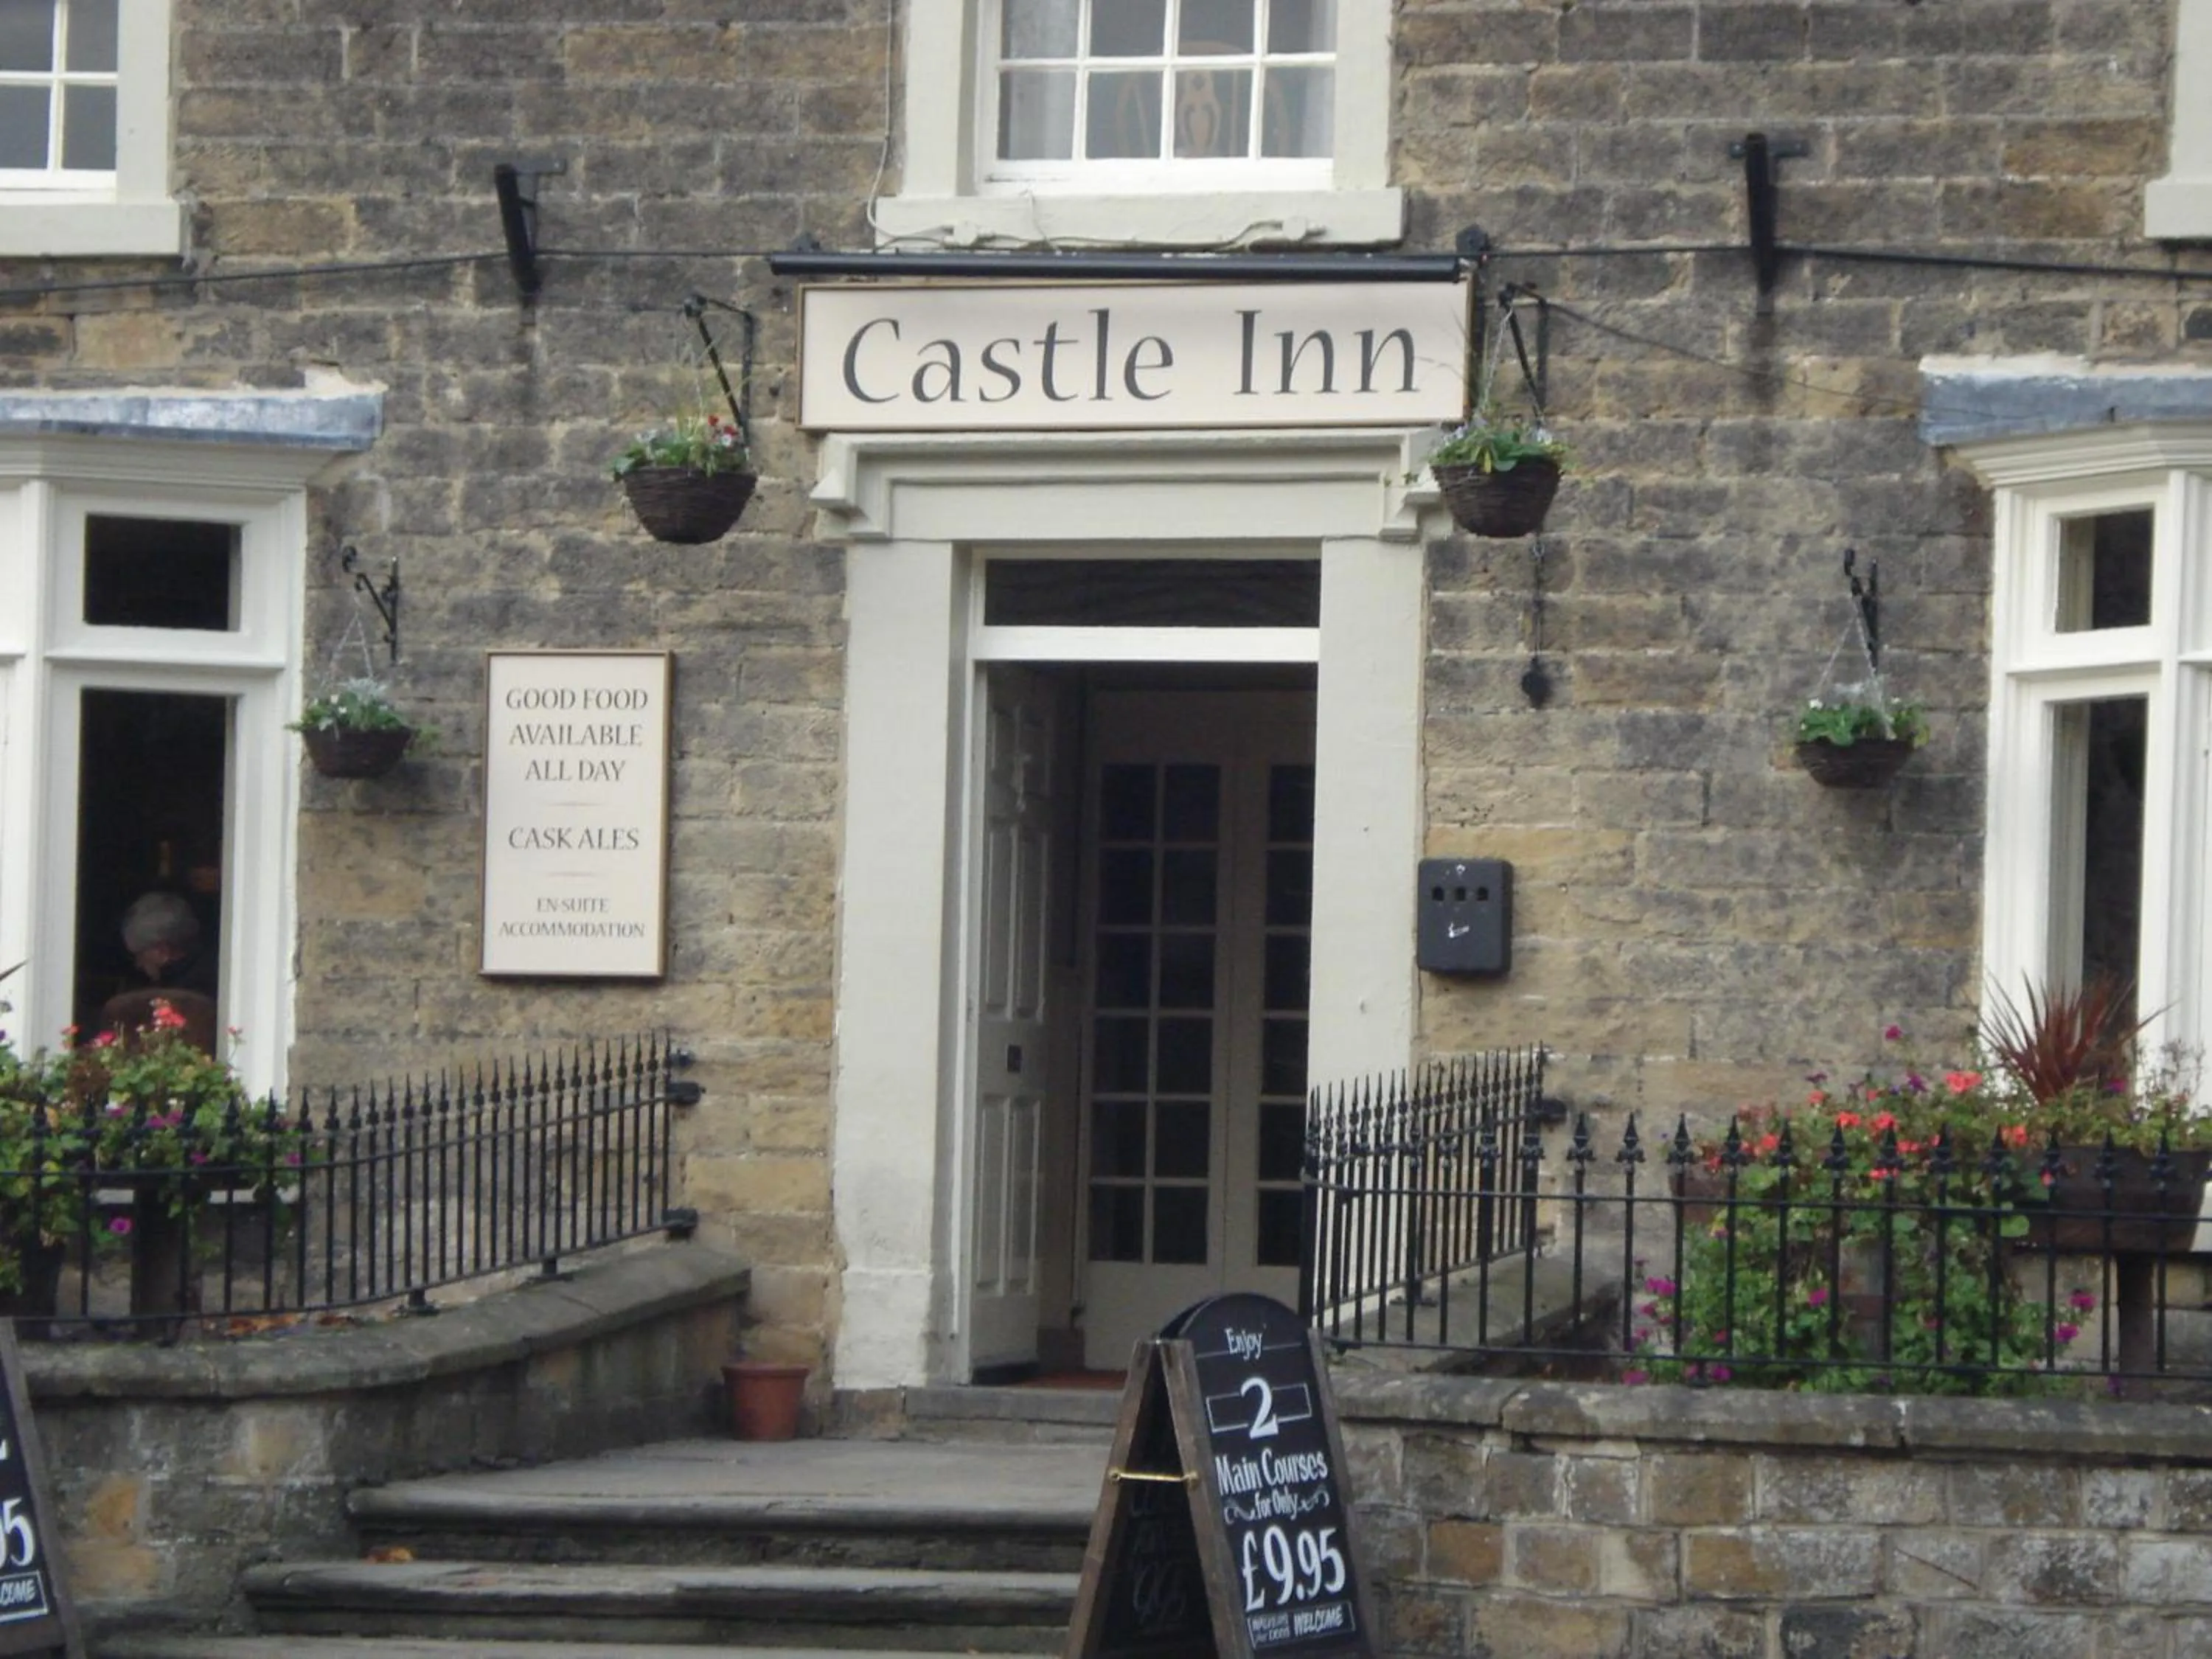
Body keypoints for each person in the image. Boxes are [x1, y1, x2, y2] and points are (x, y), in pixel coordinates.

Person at [118, 891, 218, 997]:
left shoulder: (184, 995)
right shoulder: (215, 966)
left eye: (140, 954)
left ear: (162, 951)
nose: (138, 964)